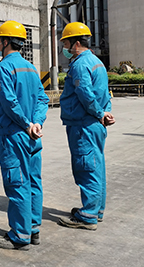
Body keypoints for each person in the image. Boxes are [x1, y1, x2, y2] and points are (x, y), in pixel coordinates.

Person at [0, 21, 49, 251]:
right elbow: (42, 99)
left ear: (5, 42)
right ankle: (33, 229)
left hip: (14, 135)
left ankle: (19, 235)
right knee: (33, 181)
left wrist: (26, 124)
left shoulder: (4, 68)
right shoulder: (31, 68)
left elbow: (9, 103)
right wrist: (36, 123)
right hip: (33, 135)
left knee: (17, 183)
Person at [57, 22, 115, 231]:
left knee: (86, 167)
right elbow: (104, 93)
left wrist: (99, 113)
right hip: (94, 124)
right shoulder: (97, 62)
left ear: (76, 43)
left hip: (84, 125)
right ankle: (96, 210)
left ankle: (88, 215)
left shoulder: (80, 64)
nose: (65, 48)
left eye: (66, 43)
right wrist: (105, 113)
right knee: (96, 166)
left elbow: (85, 94)